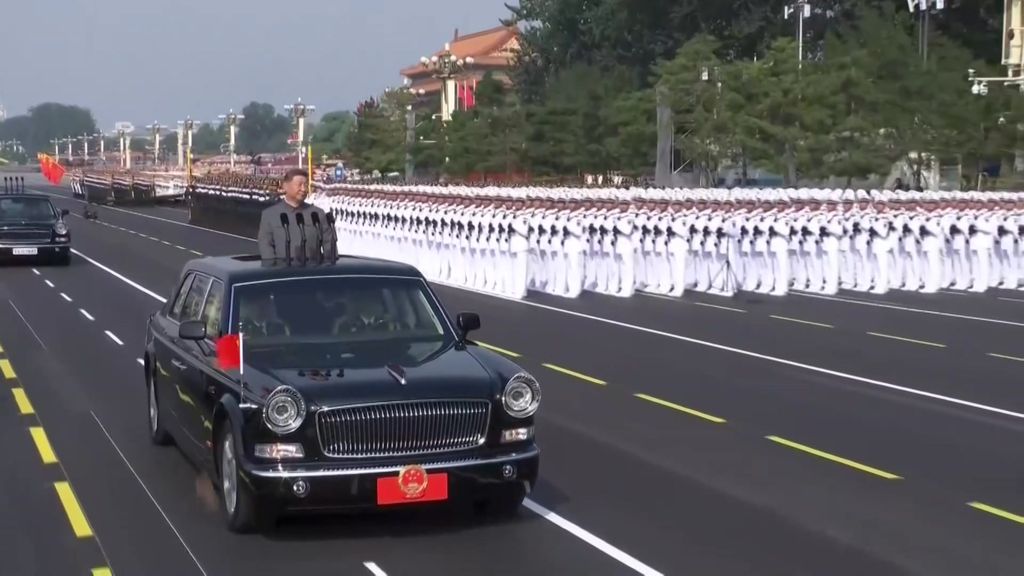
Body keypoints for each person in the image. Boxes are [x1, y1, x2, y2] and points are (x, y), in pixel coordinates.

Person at [257, 168, 337, 262]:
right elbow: (266, 246)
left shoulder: (317, 214)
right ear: (285, 186)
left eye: (306, 185)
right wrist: (273, 269)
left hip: (312, 271)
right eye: (299, 185)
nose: (303, 189)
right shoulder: (270, 215)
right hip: (283, 272)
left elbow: (329, 246)